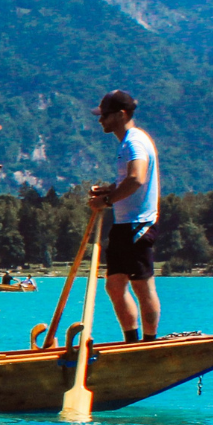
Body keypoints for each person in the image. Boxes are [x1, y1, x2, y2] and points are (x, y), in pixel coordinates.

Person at [88, 89, 161, 341]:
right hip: (123, 223)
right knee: (115, 286)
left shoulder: (135, 142)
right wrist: (110, 190)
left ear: (121, 114)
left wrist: (107, 200)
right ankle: (131, 340)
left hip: (138, 224)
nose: (101, 121)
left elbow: (137, 178)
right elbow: (127, 181)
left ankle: (148, 342)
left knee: (142, 285)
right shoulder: (127, 142)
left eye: (105, 115)